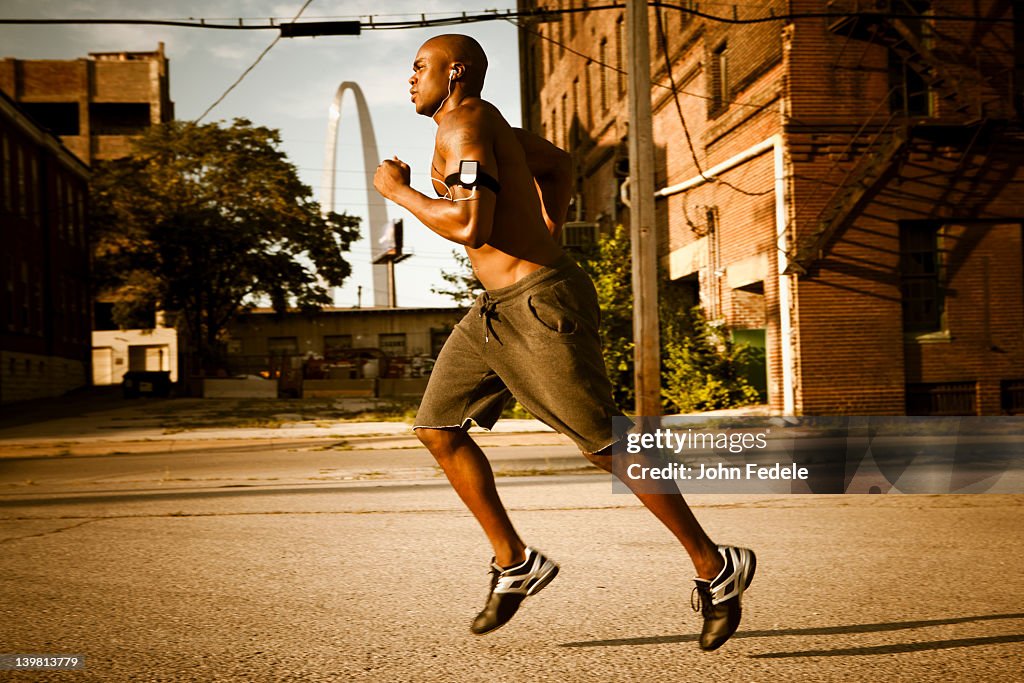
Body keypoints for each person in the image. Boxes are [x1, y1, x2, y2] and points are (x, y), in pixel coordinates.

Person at [373, 33, 755, 651]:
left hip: (540, 303)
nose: (409, 78)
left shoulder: (464, 127)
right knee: (438, 426)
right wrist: (551, 220)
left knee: (604, 441)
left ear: (456, 73)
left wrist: (398, 192)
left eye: (420, 67)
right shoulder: (482, 122)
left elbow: (470, 223)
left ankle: (716, 568)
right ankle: (515, 563)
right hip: (496, 309)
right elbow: (557, 163)